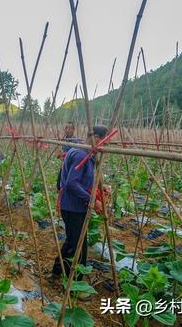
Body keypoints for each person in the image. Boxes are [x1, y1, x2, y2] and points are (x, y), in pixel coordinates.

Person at [52, 124, 108, 298]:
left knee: (72, 241)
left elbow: (81, 180)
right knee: (79, 246)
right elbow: (71, 183)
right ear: (98, 139)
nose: (106, 147)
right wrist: (92, 199)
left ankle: (57, 270)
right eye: (105, 142)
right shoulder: (81, 155)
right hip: (74, 207)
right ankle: (75, 284)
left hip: (73, 206)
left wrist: (101, 187)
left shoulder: (85, 154)